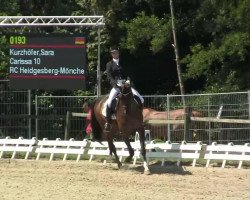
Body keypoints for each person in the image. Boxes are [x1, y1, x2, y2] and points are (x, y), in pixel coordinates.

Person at [104, 46, 144, 131]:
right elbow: (109, 77)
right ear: (111, 54)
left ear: (118, 53)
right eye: (113, 53)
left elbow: (128, 74)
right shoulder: (109, 64)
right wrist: (116, 85)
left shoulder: (124, 62)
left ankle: (140, 118)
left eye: (116, 52)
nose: (115, 54)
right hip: (117, 86)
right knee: (109, 101)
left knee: (140, 98)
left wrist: (128, 81)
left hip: (126, 85)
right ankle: (108, 122)